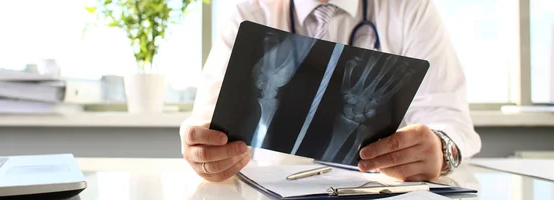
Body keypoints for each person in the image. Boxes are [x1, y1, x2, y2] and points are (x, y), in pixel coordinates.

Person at [179, 0, 482, 182]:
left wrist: (441, 151)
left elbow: (449, 119)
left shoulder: (408, 7)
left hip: (377, 190)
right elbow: (207, 119)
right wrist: (204, 150)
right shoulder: (250, 9)